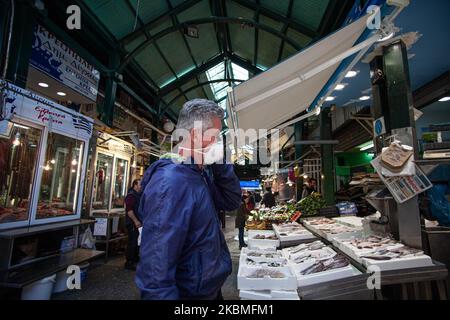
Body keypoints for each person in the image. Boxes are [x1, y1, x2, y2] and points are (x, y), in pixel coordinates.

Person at [136, 99, 241, 300]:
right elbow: (155, 272)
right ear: (195, 135)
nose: (219, 142)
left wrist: (220, 161)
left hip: (208, 290)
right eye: (216, 137)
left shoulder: (199, 174)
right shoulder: (170, 183)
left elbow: (231, 201)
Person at [124, 179, 142, 270]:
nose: (141, 186)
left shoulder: (138, 195)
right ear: (135, 185)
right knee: (132, 243)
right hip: (132, 224)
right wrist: (136, 221)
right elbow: (129, 211)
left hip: (137, 224)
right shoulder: (131, 195)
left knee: (136, 242)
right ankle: (129, 262)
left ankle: (135, 260)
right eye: (140, 184)